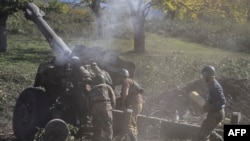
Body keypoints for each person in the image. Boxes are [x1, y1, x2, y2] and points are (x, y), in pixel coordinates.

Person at [197, 65, 226, 141]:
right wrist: (207, 105)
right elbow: (212, 99)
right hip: (214, 113)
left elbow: (223, 101)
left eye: (203, 75)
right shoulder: (211, 84)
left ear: (208, 75)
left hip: (217, 114)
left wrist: (210, 107)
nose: (202, 77)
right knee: (207, 131)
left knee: (203, 135)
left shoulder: (215, 86)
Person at [88, 74, 116, 141]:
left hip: (95, 110)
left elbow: (88, 103)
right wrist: (112, 108)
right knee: (108, 126)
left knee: (97, 127)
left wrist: (90, 112)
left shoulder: (92, 90)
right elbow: (113, 99)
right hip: (107, 109)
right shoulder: (107, 87)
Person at [119, 69, 143, 141]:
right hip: (138, 104)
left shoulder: (126, 81)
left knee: (128, 124)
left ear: (122, 76)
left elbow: (125, 94)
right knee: (133, 123)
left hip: (132, 105)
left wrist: (123, 104)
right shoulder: (131, 81)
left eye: (120, 76)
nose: (119, 78)